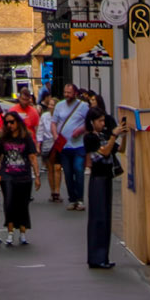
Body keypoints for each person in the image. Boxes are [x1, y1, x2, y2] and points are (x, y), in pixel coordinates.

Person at [0, 110, 40, 248]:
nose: (9, 125)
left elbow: (32, 157)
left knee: (22, 204)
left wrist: (37, 176)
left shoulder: (26, 137)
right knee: (9, 203)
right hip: (8, 175)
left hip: (23, 176)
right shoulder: (3, 139)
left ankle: (22, 233)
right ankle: (10, 233)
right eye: (7, 122)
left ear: (18, 123)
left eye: (12, 122)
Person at [84, 106, 121, 268]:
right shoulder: (90, 138)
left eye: (103, 120)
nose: (102, 123)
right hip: (97, 178)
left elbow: (119, 149)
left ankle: (103, 256)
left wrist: (123, 136)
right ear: (92, 122)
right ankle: (96, 257)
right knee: (98, 218)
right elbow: (105, 152)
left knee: (106, 218)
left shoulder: (105, 135)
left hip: (106, 177)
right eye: (99, 121)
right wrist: (114, 135)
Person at [53, 81, 89, 209]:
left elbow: (89, 123)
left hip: (79, 145)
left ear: (75, 93)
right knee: (67, 173)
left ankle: (79, 199)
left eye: (69, 93)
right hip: (64, 146)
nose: (66, 95)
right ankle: (72, 199)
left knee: (78, 170)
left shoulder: (83, 106)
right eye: (65, 92)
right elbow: (54, 122)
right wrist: (55, 135)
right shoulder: (59, 106)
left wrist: (81, 130)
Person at [37, 95, 63, 203]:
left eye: (53, 105)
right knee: (50, 169)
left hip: (58, 141)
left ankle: (57, 191)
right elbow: (40, 130)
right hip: (47, 142)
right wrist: (38, 145)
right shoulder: (45, 116)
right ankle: (52, 191)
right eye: (50, 105)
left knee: (57, 167)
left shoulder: (61, 116)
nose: (50, 107)